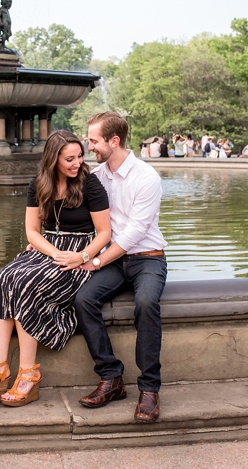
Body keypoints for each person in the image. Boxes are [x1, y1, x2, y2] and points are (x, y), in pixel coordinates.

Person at [0, 130, 111, 407]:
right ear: (53, 159)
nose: (77, 163)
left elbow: (104, 232)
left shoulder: (90, 184)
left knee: (29, 283)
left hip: (80, 251)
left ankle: (28, 374)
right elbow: (32, 231)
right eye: (69, 158)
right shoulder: (39, 183)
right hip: (49, 248)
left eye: (80, 156)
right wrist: (53, 252)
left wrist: (79, 256)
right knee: (6, 276)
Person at [75, 112, 167, 423]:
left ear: (114, 141)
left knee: (146, 302)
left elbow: (133, 234)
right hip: (116, 262)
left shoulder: (146, 177)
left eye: (94, 141)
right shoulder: (97, 177)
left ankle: (150, 389)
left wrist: (96, 261)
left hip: (148, 259)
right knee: (84, 299)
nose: (90, 147)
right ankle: (111, 378)